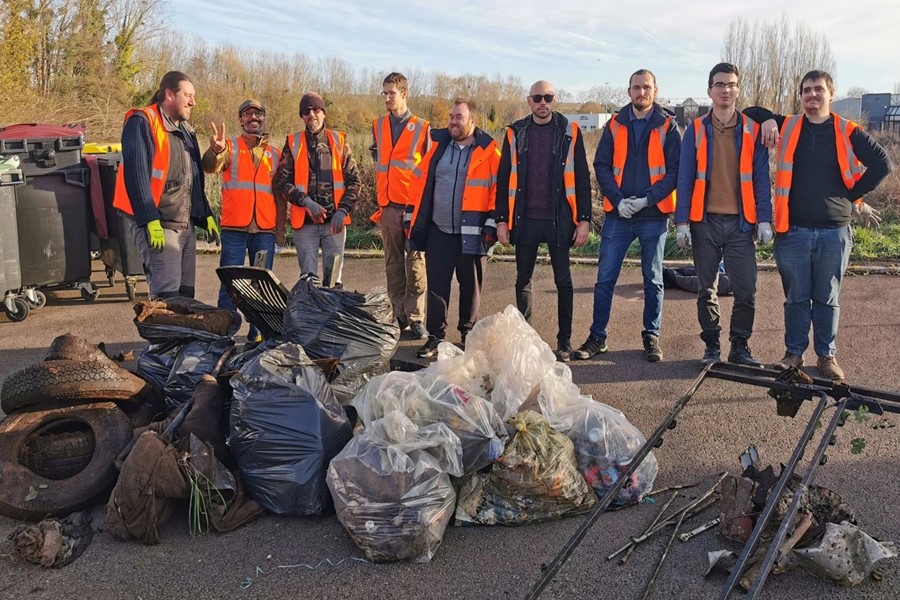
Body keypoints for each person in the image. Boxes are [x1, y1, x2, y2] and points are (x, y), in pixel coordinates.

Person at [745, 70, 892, 381]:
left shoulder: (846, 131)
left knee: (826, 298)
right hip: (793, 230)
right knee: (796, 297)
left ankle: (826, 356)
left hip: (834, 230)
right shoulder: (789, 125)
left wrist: (853, 195)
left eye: (818, 89)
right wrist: (769, 119)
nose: (812, 95)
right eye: (806, 90)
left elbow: (882, 163)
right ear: (801, 96)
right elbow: (750, 113)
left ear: (831, 94)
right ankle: (793, 354)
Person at [573, 69, 679, 363]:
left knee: (653, 279)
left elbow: (675, 171)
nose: (641, 92)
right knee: (605, 278)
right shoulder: (616, 124)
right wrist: (618, 201)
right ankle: (597, 337)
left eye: (646, 87)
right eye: (636, 87)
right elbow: (602, 164)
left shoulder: (668, 126)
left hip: (653, 214)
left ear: (655, 91)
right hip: (618, 215)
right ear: (628, 91)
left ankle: (651, 335)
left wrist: (647, 199)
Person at [674, 63, 772, 368]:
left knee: (746, 290)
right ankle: (712, 345)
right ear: (709, 90)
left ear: (738, 89)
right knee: (707, 289)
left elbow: (760, 178)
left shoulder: (752, 130)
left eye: (731, 84)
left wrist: (765, 219)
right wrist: (681, 222)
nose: (725, 90)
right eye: (719, 84)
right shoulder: (696, 129)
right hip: (704, 223)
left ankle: (739, 346)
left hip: (741, 226)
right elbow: (685, 176)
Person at [494, 80, 592, 362]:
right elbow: (503, 180)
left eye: (547, 97)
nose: (542, 103)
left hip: (559, 221)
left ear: (554, 99)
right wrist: (502, 220)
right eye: (537, 98)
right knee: (523, 280)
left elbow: (582, 178)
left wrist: (583, 219)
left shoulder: (569, 132)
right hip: (525, 221)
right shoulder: (515, 132)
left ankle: (564, 342)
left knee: (564, 281)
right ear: (529, 101)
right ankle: (525, 341)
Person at [406, 98, 500, 358]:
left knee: (470, 285)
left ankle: (468, 335)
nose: (452, 122)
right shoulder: (437, 146)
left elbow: (497, 190)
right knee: (437, 286)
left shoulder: (489, 151)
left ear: (473, 121)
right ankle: (435, 336)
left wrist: (492, 223)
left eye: (459, 117)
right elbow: (419, 183)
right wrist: (410, 216)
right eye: (450, 116)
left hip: (474, 230)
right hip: (439, 229)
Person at [114, 71, 217, 299]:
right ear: (169, 94)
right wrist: (149, 218)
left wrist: (204, 213)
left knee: (186, 294)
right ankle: (165, 336)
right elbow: (136, 174)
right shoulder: (141, 122)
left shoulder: (186, 130)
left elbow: (193, 176)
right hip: (159, 223)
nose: (193, 102)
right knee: (167, 295)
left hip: (184, 222)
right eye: (188, 95)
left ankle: (184, 336)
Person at [202, 99, 283, 341]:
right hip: (234, 229)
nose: (253, 118)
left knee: (263, 287)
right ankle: (224, 335)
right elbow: (209, 166)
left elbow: (280, 197)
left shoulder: (275, 154)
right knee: (230, 285)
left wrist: (280, 233)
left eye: (258, 114)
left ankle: (258, 335)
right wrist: (215, 150)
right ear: (241, 120)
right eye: (248, 115)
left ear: (264, 119)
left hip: (264, 230)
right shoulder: (228, 146)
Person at [275, 92, 360, 288]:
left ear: (323, 113)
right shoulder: (292, 142)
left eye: (316, 109)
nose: (311, 114)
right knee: (308, 282)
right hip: (304, 224)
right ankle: (311, 319)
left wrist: (342, 211)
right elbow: (282, 182)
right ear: (301, 116)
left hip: (335, 224)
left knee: (334, 283)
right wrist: (307, 203)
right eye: (306, 111)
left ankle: (333, 319)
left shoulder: (339, 141)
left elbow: (354, 181)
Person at [371, 72, 430, 338]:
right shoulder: (378, 125)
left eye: (391, 93)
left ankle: (416, 317)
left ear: (404, 94)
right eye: (384, 93)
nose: (386, 97)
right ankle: (398, 315)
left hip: (413, 209)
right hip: (388, 207)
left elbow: (428, 170)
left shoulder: (422, 127)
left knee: (415, 264)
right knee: (392, 264)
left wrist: (422, 209)